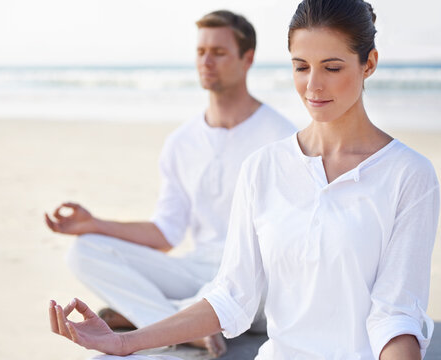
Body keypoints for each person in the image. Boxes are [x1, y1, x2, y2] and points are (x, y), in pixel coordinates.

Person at [49, 0, 440, 359]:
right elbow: (231, 296)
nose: (313, 86)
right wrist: (123, 343)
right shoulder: (263, 167)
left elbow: (395, 317)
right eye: (301, 67)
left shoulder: (410, 175)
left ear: (368, 63)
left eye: (332, 67)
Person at [45, 9, 296, 357]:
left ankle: (157, 318)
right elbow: (166, 233)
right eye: (201, 52)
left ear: (247, 58)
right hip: (196, 269)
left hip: (252, 280)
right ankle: (179, 327)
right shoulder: (182, 142)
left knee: (251, 280)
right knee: (84, 250)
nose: (206, 61)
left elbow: (286, 243)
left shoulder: (282, 137)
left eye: (219, 52)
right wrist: (94, 224)